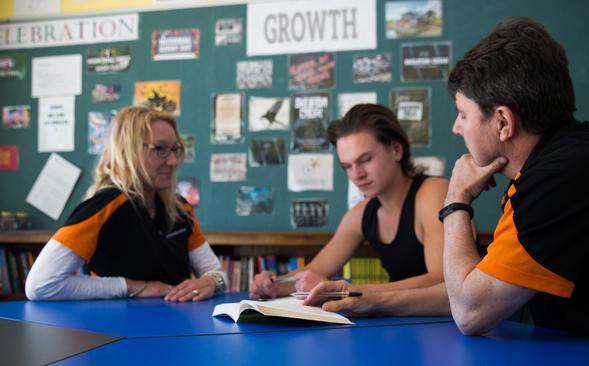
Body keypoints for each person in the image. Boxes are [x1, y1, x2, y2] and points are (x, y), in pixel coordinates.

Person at [442, 17, 589, 349]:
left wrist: (456, 199)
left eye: (463, 114)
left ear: (502, 122)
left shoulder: (561, 181)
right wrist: (376, 302)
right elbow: (483, 287)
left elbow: (470, 311)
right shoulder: (574, 155)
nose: (456, 127)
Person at [251, 104, 450, 316]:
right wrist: (276, 284)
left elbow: (442, 280)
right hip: (402, 323)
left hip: (448, 327)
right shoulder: (361, 214)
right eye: (347, 166)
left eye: (365, 160)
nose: (356, 174)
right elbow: (314, 271)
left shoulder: (433, 193)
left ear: (396, 150)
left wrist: (351, 292)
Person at [26, 107, 227, 301]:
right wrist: (134, 287)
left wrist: (211, 281)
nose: (173, 161)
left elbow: (217, 273)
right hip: (115, 330)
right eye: (159, 149)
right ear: (128, 151)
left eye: (175, 149)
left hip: (177, 326)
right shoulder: (105, 205)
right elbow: (40, 284)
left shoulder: (180, 208)